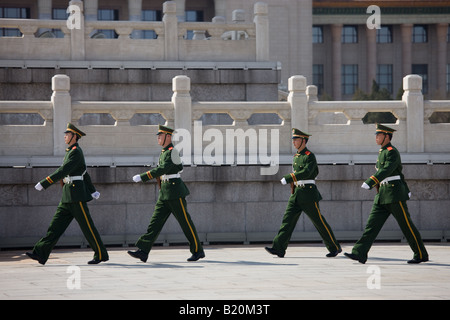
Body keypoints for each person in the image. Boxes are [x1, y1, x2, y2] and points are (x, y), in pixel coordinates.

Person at [345, 124, 428, 264]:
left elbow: (387, 170)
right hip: (382, 194)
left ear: (387, 136)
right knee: (371, 226)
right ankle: (359, 252)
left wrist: (371, 181)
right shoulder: (382, 151)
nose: (376, 137)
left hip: (394, 194)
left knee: (406, 226)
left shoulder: (392, 151)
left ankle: (420, 254)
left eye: (379, 135)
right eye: (376, 135)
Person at [26, 123, 109, 265]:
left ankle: (101, 254)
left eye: (67, 134)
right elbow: (83, 172)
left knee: (88, 227)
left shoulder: (76, 152)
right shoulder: (70, 151)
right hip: (67, 196)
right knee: (55, 227)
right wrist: (93, 190)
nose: (65, 136)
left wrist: (45, 182)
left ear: (74, 136)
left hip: (76, 196)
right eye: (65, 134)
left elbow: (64, 170)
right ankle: (40, 253)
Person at [128, 124, 205, 262]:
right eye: (158, 136)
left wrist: (144, 176)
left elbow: (163, 169)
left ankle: (198, 251)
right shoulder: (165, 152)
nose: (158, 138)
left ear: (168, 137)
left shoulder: (172, 151)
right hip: (165, 193)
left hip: (175, 192)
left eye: (160, 136)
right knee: (155, 223)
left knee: (185, 223)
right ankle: (143, 251)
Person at [265, 128, 341, 258]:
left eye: (296, 139)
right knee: (287, 221)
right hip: (296, 194)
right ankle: (279, 248)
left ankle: (334, 247)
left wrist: (289, 177)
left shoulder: (309, 156)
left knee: (319, 222)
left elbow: (307, 172)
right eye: (293, 139)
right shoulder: (296, 157)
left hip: (308, 194)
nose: (294, 142)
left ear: (304, 141)